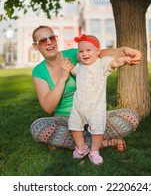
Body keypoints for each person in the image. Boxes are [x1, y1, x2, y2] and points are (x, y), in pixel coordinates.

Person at [30, 25, 142, 153]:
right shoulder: (39, 71)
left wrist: (123, 51)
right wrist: (62, 78)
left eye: (52, 38)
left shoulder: (73, 54)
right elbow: (48, 107)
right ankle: (100, 143)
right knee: (38, 127)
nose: (49, 42)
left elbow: (99, 54)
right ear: (35, 46)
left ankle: (74, 143)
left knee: (131, 117)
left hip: (93, 115)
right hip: (66, 121)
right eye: (43, 40)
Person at [68, 34, 134, 165]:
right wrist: (68, 66)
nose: (84, 54)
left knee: (97, 130)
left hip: (95, 107)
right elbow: (73, 71)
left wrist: (125, 60)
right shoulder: (79, 66)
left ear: (98, 52)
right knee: (74, 127)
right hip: (78, 106)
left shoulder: (102, 64)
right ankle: (81, 148)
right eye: (81, 51)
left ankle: (94, 151)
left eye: (88, 50)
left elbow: (115, 62)